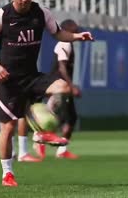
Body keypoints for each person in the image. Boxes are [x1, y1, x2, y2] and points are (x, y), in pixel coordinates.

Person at [0, 0, 93, 187]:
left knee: (62, 87)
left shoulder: (41, 13)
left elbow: (58, 33)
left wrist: (79, 37)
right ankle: (7, 174)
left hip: (31, 77)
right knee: (8, 127)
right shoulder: (2, 15)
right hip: (8, 81)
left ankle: (43, 132)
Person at [34, 19, 82, 160]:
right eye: (74, 30)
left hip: (63, 88)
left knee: (70, 118)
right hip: (59, 88)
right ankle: (39, 141)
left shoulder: (69, 44)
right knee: (52, 117)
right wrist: (71, 86)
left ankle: (61, 150)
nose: (77, 32)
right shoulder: (64, 44)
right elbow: (61, 67)